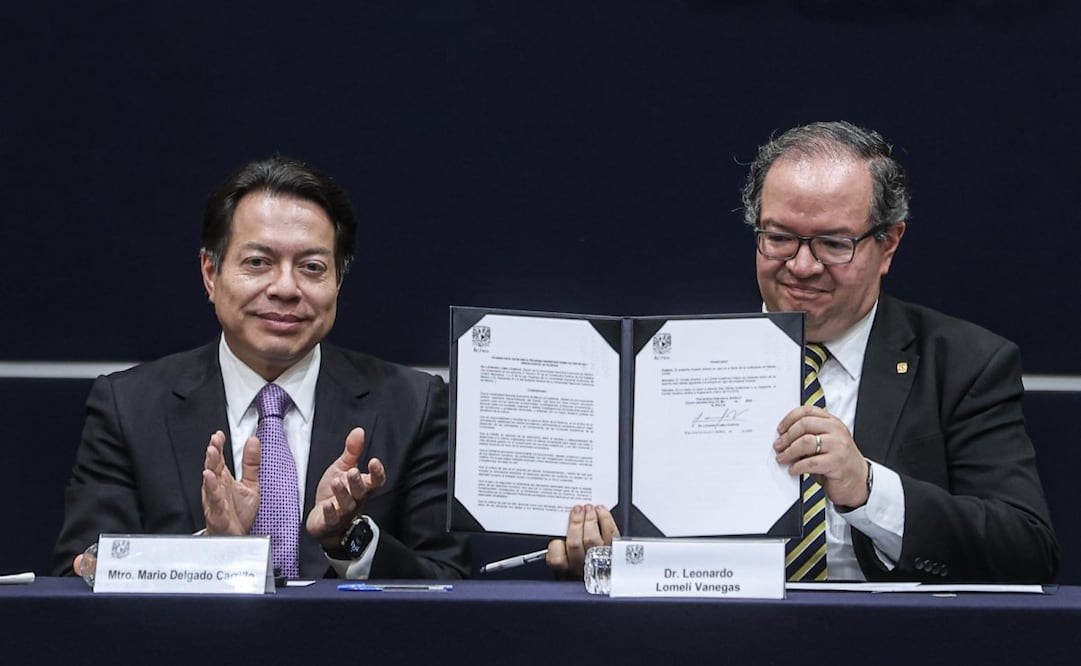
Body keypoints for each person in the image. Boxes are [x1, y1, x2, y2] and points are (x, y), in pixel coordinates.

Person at [547, 121, 1059, 583]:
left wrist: (868, 488)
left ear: (889, 244)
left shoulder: (965, 363)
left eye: (834, 244)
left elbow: (1026, 549)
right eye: (780, 238)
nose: (803, 265)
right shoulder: (670, 362)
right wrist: (601, 555)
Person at [53, 156, 469, 580]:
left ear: (338, 283)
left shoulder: (413, 405)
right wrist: (210, 554)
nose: (286, 288)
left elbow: (450, 581)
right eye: (258, 262)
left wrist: (348, 539)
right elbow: (82, 572)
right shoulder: (128, 408)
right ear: (210, 273)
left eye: (312, 267)